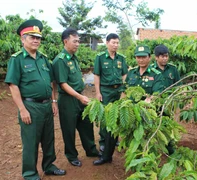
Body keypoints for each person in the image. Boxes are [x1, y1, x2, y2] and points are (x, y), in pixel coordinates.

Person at [4, 19, 65, 180]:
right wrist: (22, 109)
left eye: (38, 37)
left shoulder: (44, 58)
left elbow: (51, 82)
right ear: (22, 39)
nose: (36, 40)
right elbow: (13, 85)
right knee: (31, 142)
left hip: (46, 106)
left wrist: (53, 101)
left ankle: (49, 165)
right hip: (30, 107)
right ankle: (30, 174)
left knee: (48, 139)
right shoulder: (17, 59)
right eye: (32, 37)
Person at [93, 45, 164, 165]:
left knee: (141, 137)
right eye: (138, 57)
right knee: (112, 128)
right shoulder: (131, 73)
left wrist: (148, 101)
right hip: (129, 109)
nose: (141, 60)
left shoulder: (156, 74)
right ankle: (106, 156)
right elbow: (124, 91)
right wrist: (121, 105)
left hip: (145, 112)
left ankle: (143, 162)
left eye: (143, 57)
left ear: (149, 57)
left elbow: (157, 94)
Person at [52, 28, 99, 167]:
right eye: (75, 41)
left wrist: (80, 96)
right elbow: (63, 83)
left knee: (86, 124)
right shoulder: (60, 60)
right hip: (68, 100)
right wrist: (79, 97)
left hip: (79, 97)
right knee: (69, 129)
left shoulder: (74, 57)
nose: (78, 44)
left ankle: (91, 150)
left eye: (79, 41)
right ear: (65, 41)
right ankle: (72, 156)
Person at [93, 33, 128, 165]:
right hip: (106, 90)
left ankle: (114, 139)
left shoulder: (121, 58)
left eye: (117, 43)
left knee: (117, 115)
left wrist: (124, 90)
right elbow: (97, 75)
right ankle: (103, 142)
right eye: (113, 42)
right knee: (105, 117)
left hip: (118, 90)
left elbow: (124, 74)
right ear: (107, 43)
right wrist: (98, 92)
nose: (116, 45)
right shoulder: (100, 58)